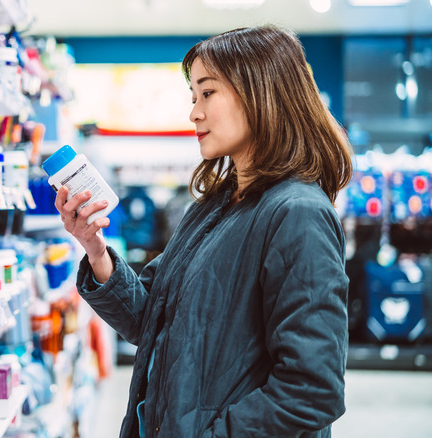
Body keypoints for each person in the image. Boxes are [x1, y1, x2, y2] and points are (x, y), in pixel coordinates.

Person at [54, 25, 353, 437]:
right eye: (193, 97)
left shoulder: (297, 213)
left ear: (260, 91)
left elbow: (311, 390)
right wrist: (95, 249)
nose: (194, 112)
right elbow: (149, 320)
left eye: (208, 93)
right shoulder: (215, 206)